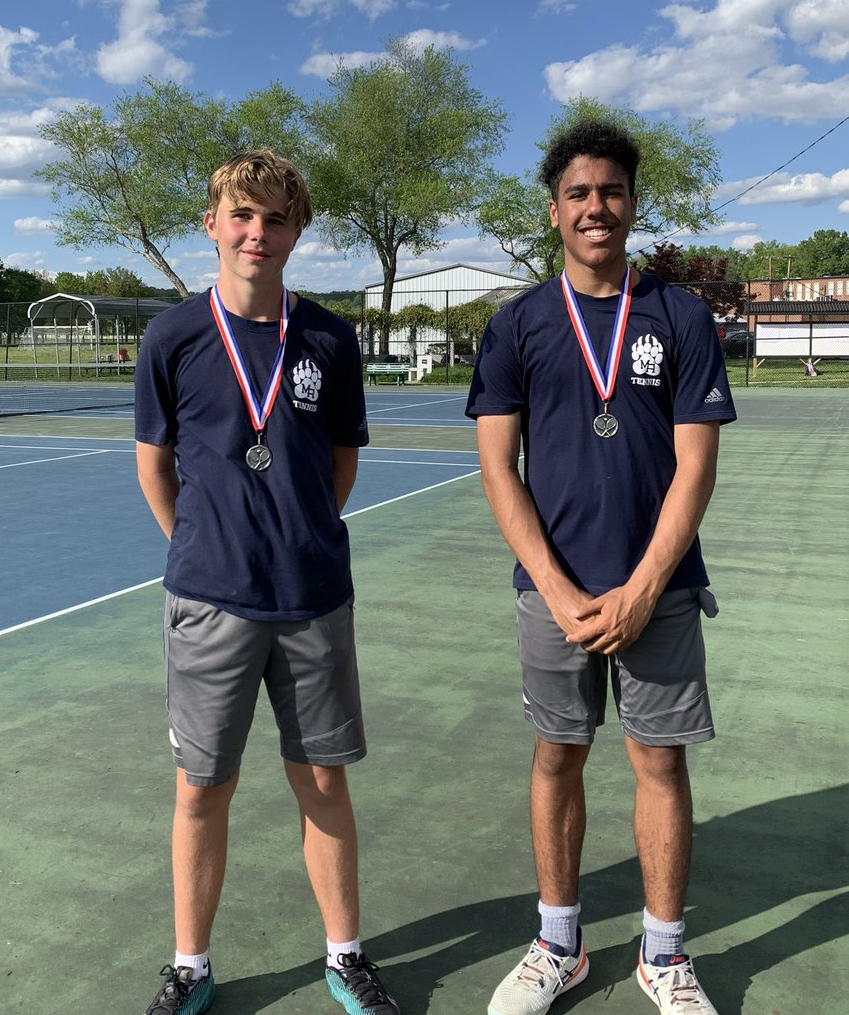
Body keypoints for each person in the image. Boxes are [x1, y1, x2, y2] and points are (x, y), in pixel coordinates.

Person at [465, 120, 736, 1015]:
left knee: (658, 763)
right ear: (554, 213)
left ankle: (664, 955)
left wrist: (644, 587)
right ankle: (559, 943)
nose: (596, 208)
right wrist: (560, 589)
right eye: (578, 194)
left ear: (631, 205)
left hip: (657, 591)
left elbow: (696, 465)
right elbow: (498, 468)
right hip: (555, 596)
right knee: (558, 758)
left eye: (611, 192)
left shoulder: (679, 315)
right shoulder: (517, 325)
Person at [134, 149, 400, 1015]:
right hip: (209, 602)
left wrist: (295, 538)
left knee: (322, 780)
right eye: (242, 216)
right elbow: (154, 468)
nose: (258, 232)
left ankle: (345, 954)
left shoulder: (327, 336)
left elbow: (340, 464)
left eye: (276, 218)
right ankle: (190, 964)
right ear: (211, 223)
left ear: (296, 230)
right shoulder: (173, 335)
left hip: (313, 596)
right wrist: (207, 552)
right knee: (203, 786)